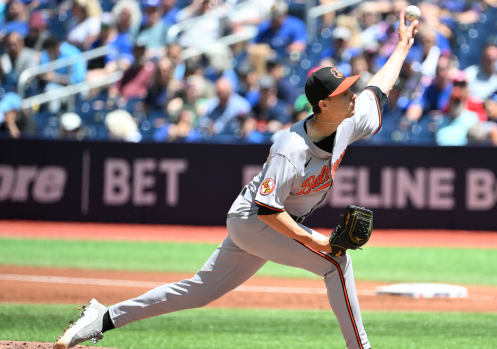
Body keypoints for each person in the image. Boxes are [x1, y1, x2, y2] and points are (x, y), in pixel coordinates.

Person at [52, 9, 419, 349]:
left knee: (200, 291)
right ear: (322, 105)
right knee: (337, 262)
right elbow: (268, 210)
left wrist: (402, 45)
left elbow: (379, 88)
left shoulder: (349, 119)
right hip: (255, 220)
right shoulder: (290, 147)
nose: (352, 96)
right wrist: (317, 240)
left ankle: (101, 317)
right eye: (343, 93)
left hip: (269, 221)